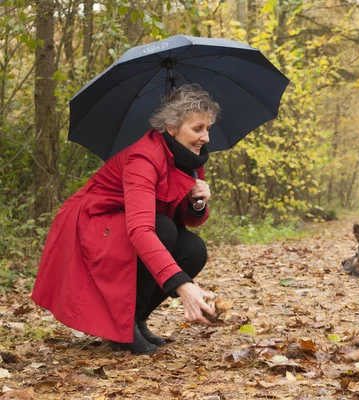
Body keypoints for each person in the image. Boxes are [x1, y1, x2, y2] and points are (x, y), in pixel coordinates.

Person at [32, 84, 221, 355]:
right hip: (91, 223)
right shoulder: (143, 157)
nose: (206, 137)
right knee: (162, 230)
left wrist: (198, 202)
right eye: (198, 128)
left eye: (208, 128)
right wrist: (183, 285)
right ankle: (121, 327)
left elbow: (189, 220)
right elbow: (142, 230)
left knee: (193, 250)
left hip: (128, 223)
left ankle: (135, 319)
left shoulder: (190, 158)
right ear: (171, 127)